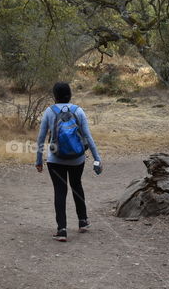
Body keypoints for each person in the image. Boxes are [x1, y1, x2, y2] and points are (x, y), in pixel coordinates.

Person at [35, 81, 102, 242]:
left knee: (60, 191)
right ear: (70, 94)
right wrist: (97, 158)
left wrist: (38, 160)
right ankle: (83, 221)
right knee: (76, 185)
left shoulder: (49, 111)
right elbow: (88, 137)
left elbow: (41, 138)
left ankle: (62, 230)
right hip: (77, 159)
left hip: (55, 160)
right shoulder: (78, 111)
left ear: (55, 96)